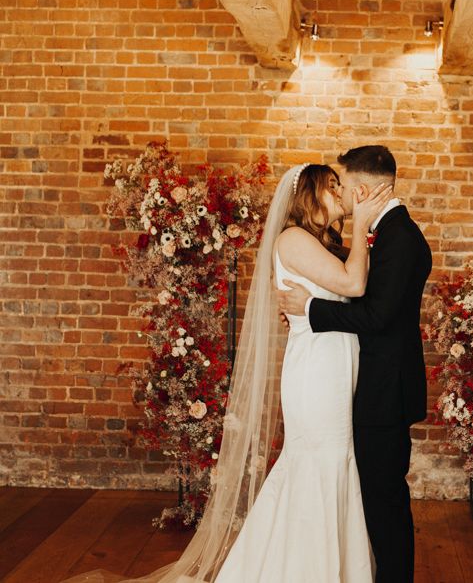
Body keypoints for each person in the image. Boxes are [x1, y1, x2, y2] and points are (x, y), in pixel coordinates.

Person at [61, 162, 391, 583]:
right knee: (317, 463)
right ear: (310, 195)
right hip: (316, 376)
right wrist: (364, 225)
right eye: (333, 187)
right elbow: (353, 285)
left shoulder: (323, 243)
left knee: (333, 463)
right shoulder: (293, 240)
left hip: (336, 369)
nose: (343, 194)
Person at [278, 146, 432, 583]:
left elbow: (377, 315)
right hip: (367, 385)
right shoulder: (384, 233)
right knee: (374, 498)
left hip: (384, 391)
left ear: (362, 189)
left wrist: (310, 310)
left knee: (384, 502)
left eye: (342, 186)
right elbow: (345, 278)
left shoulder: (398, 238)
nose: (341, 194)